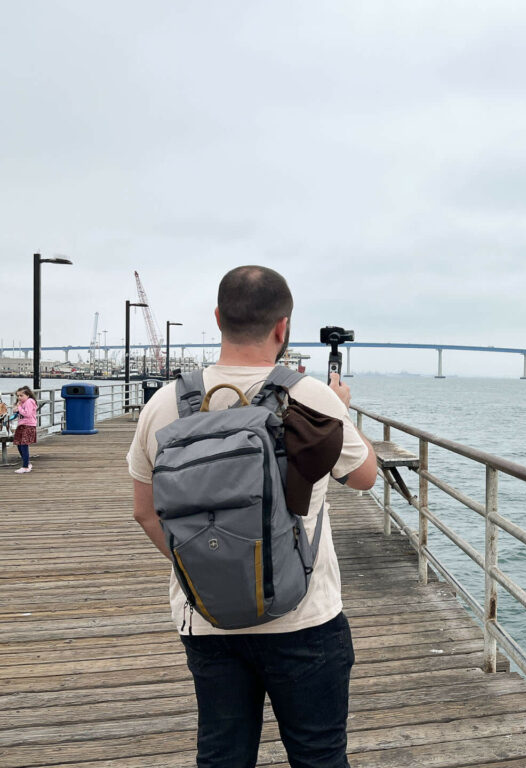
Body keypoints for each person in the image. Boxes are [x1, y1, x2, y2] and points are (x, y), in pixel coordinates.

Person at [127, 265, 377, 768]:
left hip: (207, 617)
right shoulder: (310, 397)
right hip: (304, 615)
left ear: (218, 318)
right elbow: (365, 475)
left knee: (222, 755)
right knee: (320, 756)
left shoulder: (165, 403)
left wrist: (209, 569)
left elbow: (145, 512)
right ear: (282, 327)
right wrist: (340, 411)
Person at [12, 386, 38, 473]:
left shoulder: (29, 401)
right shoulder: (21, 403)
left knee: (24, 444)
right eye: (18, 396)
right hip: (21, 425)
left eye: (21, 395)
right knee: (19, 444)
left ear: (27, 395)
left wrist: (19, 408)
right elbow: (15, 411)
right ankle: (26, 463)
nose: (19, 397)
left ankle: (25, 466)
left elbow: (28, 414)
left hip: (28, 425)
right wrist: (17, 408)